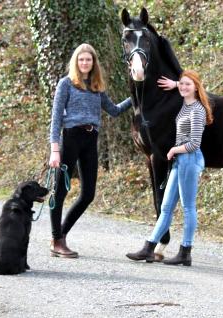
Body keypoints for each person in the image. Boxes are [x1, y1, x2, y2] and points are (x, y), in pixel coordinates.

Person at [48, 43, 132, 258]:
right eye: (81, 59)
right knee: (61, 191)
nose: (85, 63)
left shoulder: (97, 87)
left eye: (89, 59)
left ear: (94, 63)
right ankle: (57, 241)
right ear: (76, 62)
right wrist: (54, 150)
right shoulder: (66, 84)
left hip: (90, 139)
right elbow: (56, 118)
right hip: (71, 137)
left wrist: (136, 98)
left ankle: (61, 234)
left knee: (88, 194)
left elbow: (113, 111)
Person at [126, 70, 213, 266]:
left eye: (188, 85)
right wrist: (177, 84)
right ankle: (149, 248)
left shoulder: (197, 110)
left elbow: (194, 143)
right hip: (181, 161)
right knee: (165, 207)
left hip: (189, 159)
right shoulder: (185, 103)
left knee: (188, 207)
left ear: (196, 88)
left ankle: (185, 251)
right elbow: (183, 87)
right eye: (182, 84)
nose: (183, 87)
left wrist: (174, 149)